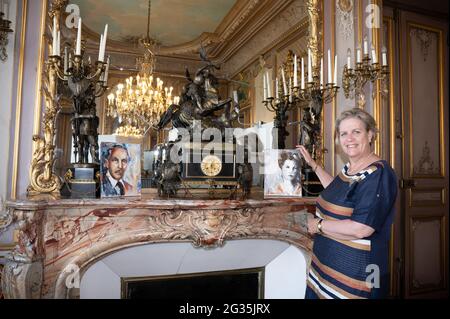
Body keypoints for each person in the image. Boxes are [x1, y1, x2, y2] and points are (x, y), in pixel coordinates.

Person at [297, 108, 397, 299]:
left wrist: (316, 225)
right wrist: (313, 165)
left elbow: (362, 229)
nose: (349, 138)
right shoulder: (350, 168)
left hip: (358, 275)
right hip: (329, 267)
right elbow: (338, 192)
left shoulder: (378, 174)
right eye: (344, 133)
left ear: (370, 135)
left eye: (356, 132)